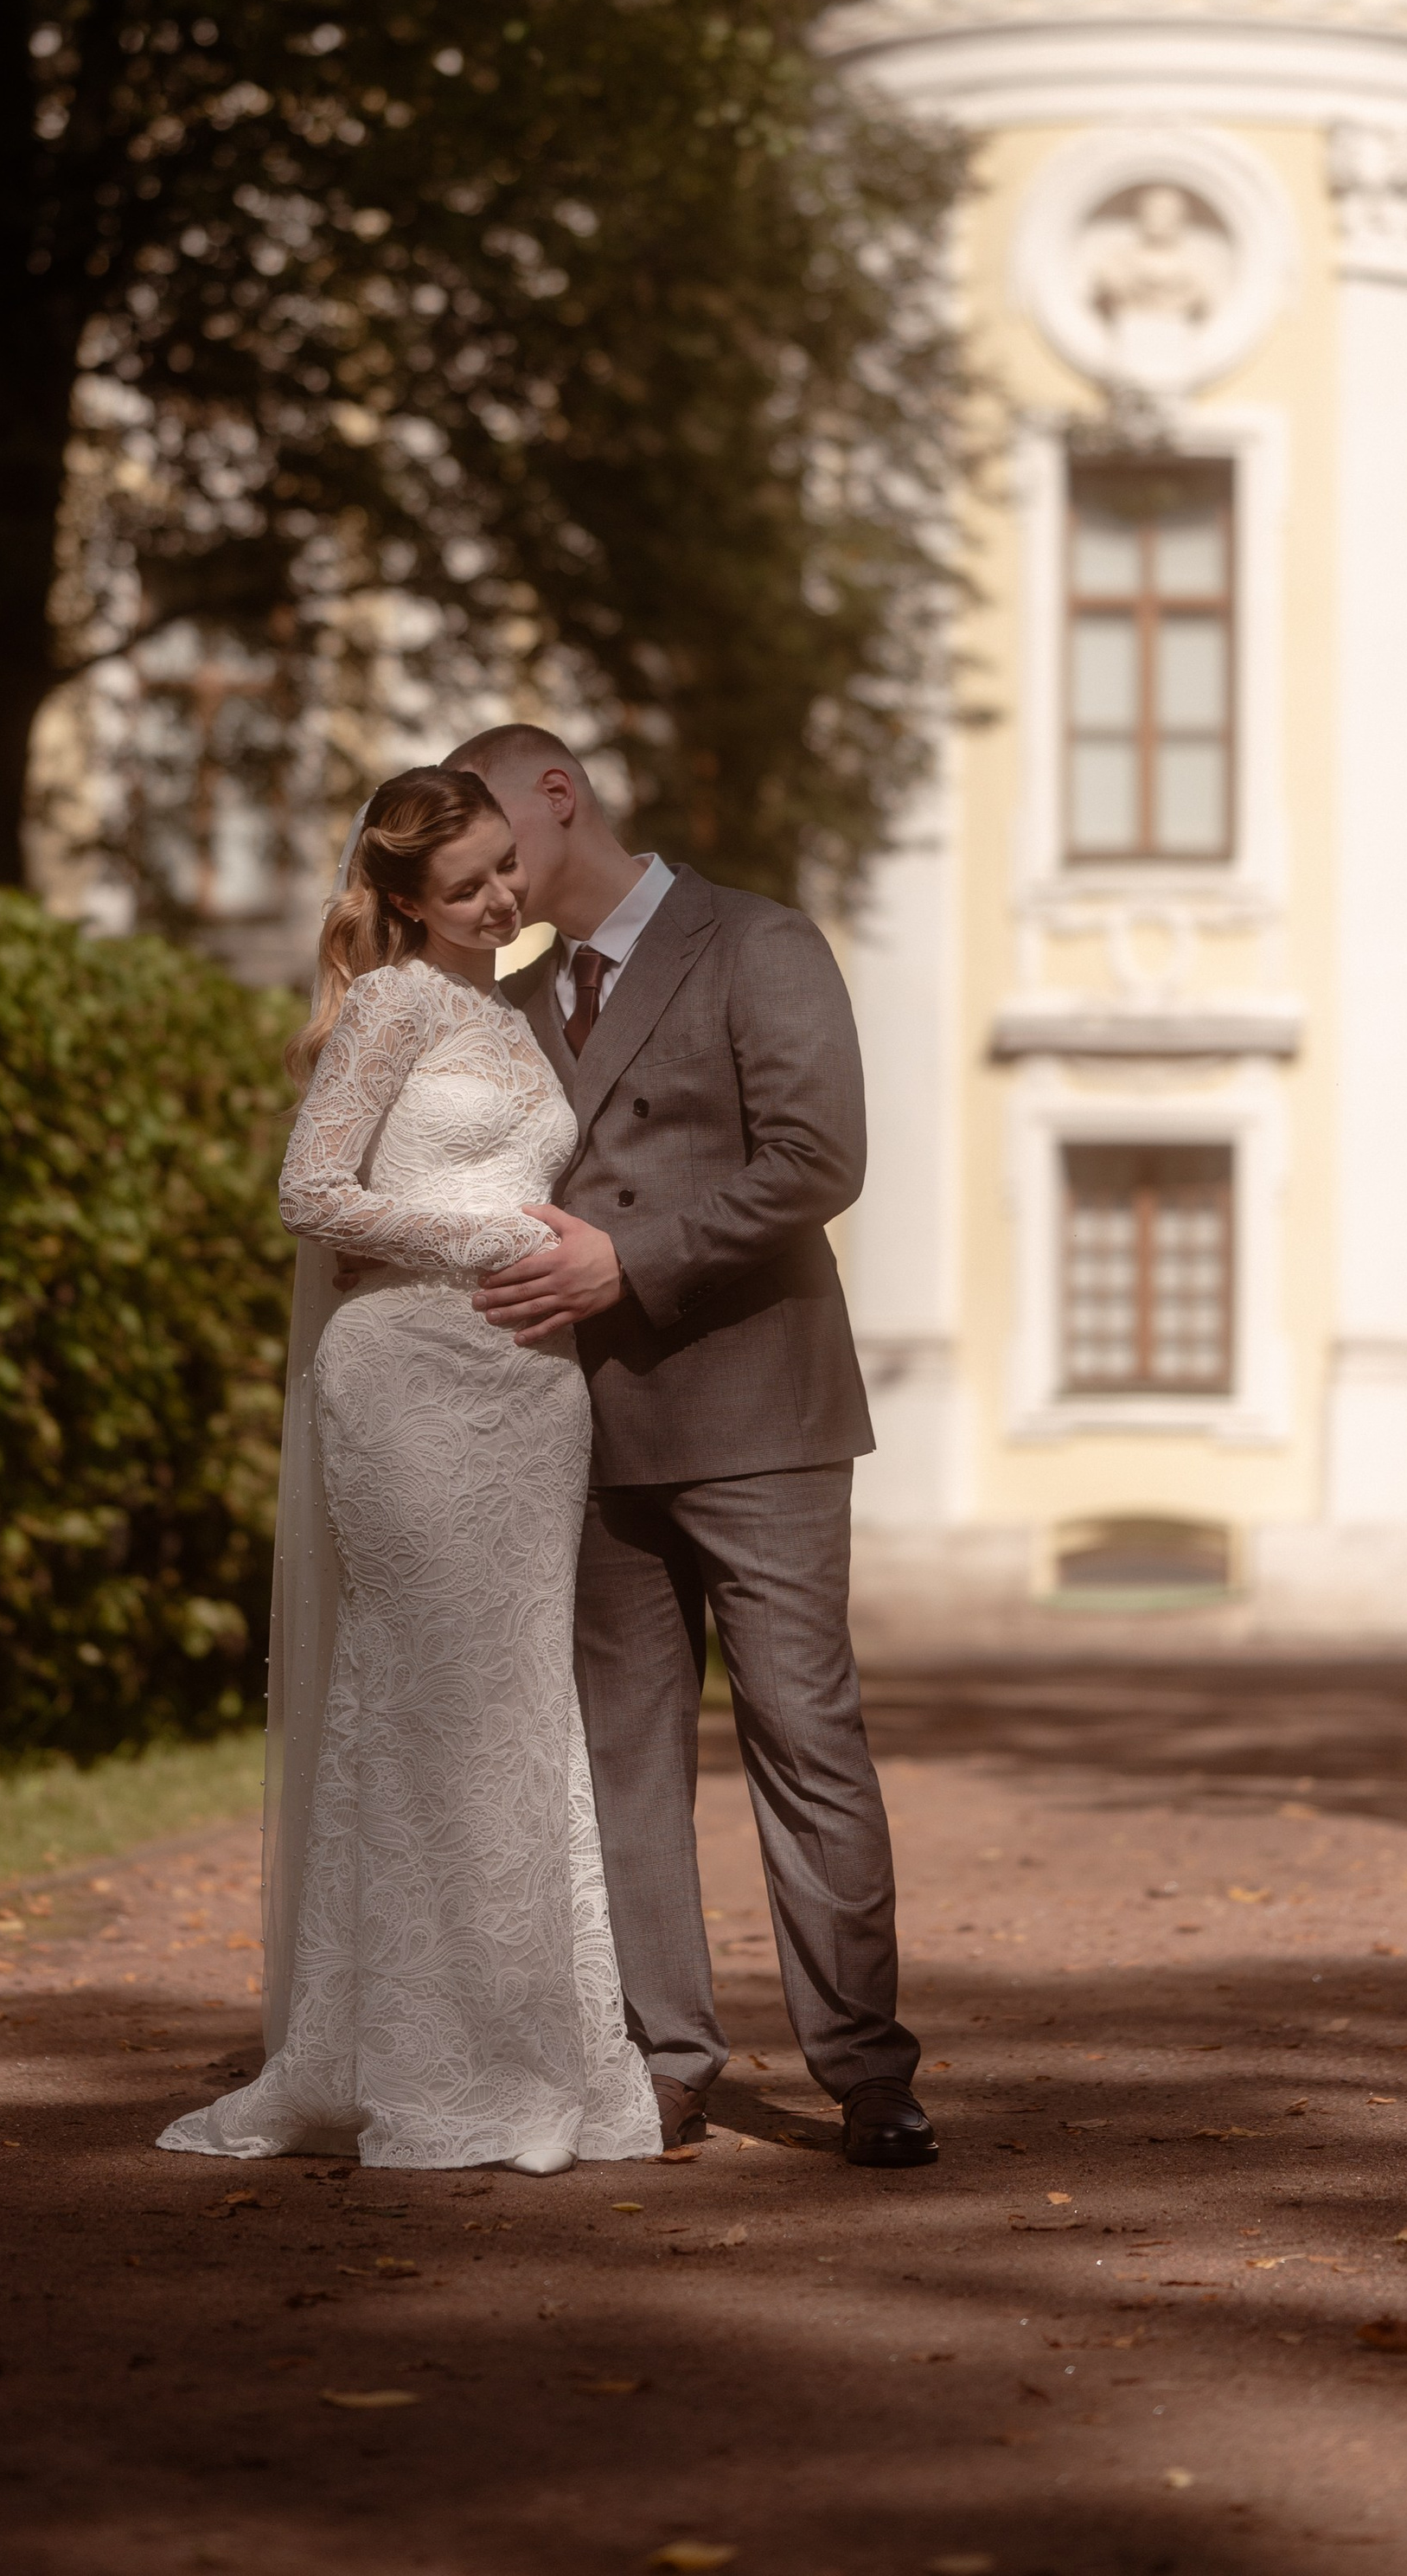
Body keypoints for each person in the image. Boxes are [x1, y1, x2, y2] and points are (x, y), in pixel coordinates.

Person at [439, 723, 936, 2171]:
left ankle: (865, 2071)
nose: (483, 877)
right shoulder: (514, 1002)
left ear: (559, 794)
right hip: (584, 1429)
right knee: (623, 1761)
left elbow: (818, 1157)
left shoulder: (756, 941)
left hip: (761, 1413)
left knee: (806, 1738)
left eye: (494, 838)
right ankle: (664, 2060)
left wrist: (627, 1264)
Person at [157, 765, 659, 2177]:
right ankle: (412, 2064)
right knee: (425, 1707)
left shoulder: (510, 1017)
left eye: (508, 868)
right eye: (467, 887)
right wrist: (491, 1241)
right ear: (400, 902)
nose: (503, 900)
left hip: (529, 1398)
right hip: (409, 1383)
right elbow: (309, 1192)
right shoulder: (388, 1008)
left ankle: (523, 2051)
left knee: (514, 1713)